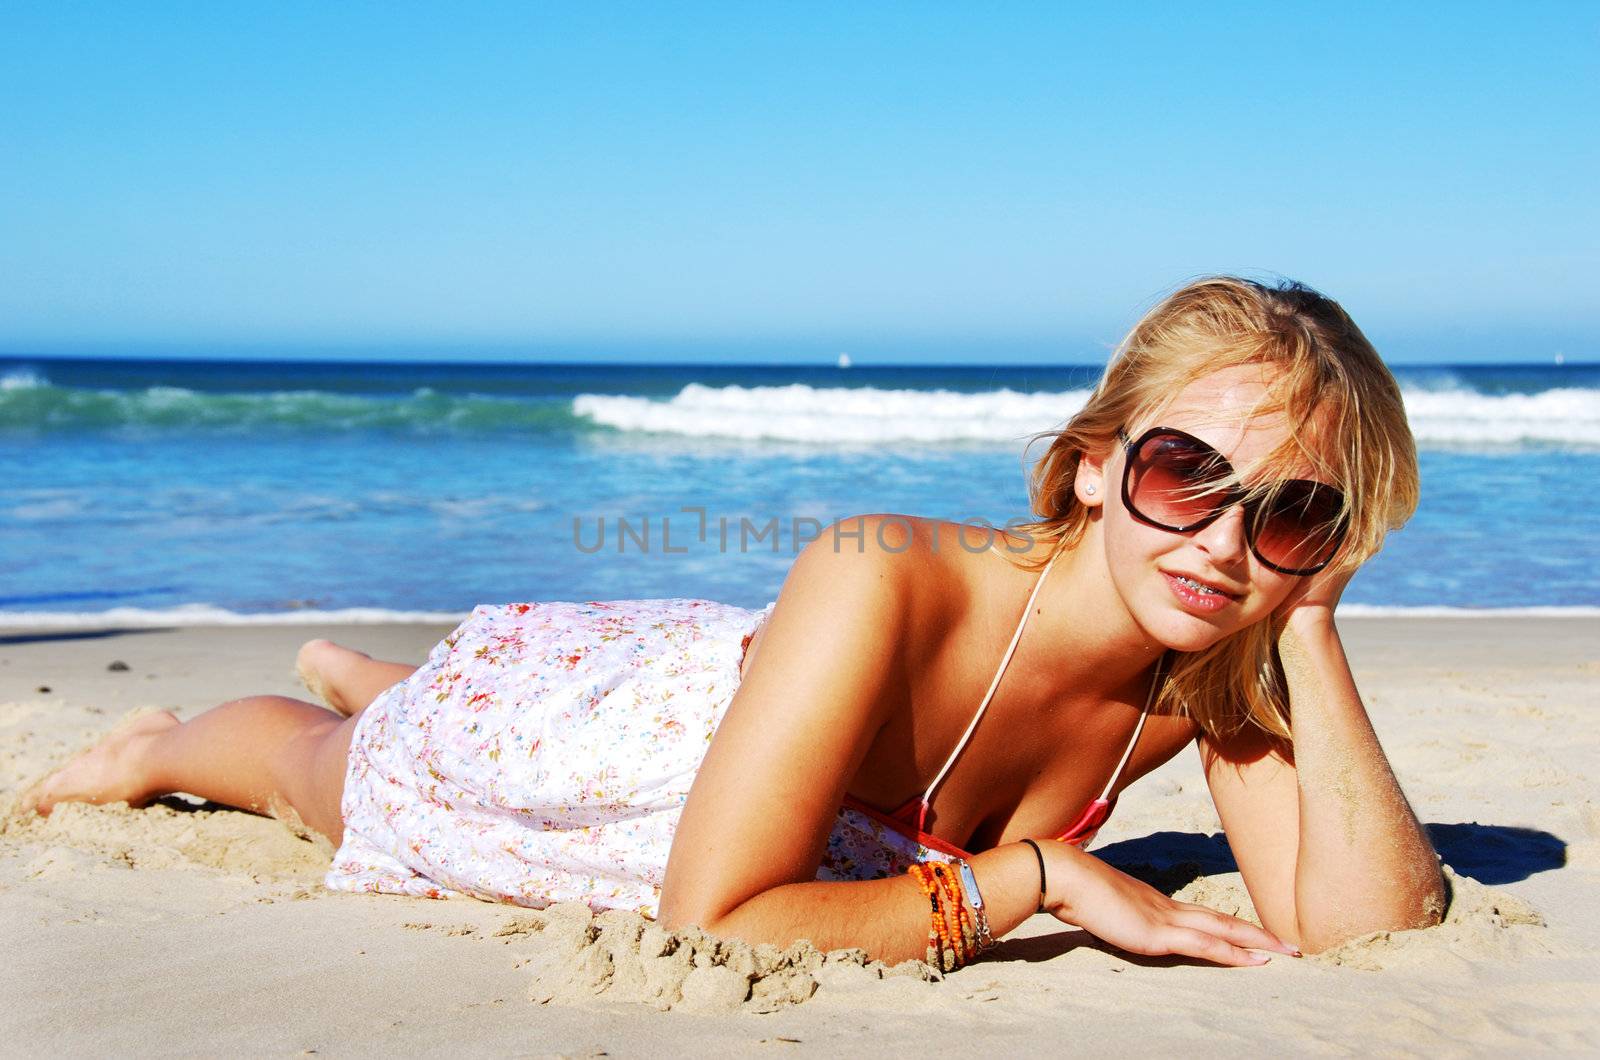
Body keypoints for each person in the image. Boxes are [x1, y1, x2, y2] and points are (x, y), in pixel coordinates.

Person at [21, 277, 1446, 970]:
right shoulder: (883, 574)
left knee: (385, 698)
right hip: (598, 753)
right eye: (1184, 469)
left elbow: (1358, 932)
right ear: (1093, 458)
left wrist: (1309, 625)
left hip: (746, 734)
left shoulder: (1215, 663)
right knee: (328, 773)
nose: (1219, 539)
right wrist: (1044, 882)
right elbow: (719, 916)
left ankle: (369, 666)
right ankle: (180, 736)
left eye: (1292, 512)